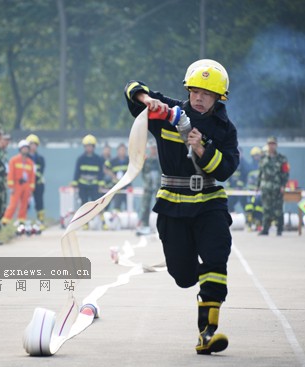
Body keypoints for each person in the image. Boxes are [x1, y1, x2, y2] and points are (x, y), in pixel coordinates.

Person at [124, 59, 239, 355]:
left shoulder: (225, 129)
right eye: (195, 91)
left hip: (210, 203)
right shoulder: (169, 112)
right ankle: (201, 282)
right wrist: (149, 101)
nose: (199, 98)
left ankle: (207, 333)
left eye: (207, 94)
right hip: (173, 204)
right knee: (184, 276)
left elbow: (225, 169)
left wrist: (202, 148)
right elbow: (131, 90)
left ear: (218, 98)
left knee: (216, 259)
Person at [257, 136, 289, 236]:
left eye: (273, 144)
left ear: (276, 145)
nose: (271, 146)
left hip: (277, 187)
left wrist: (283, 185)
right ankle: (265, 229)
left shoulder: (282, 158)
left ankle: (279, 229)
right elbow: (260, 173)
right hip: (266, 187)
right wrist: (258, 186)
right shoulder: (263, 158)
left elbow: (285, 172)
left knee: (278, 208)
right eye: (269, 144)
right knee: (266, 208)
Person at [2, 139, 35, 227]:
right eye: (24, 148)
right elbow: (10, 174)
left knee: (24, 204)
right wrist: (11, 186)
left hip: (26, 185)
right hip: (17, 185)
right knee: (13, 204)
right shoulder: (14, 160)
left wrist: (31, 189)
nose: (25, 150)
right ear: (20, 149)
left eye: (27, 148)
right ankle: (6, 220)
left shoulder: (30, 163)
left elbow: (32, 177)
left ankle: (21, 220)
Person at [71, 134, 105, 205]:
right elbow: (77, 172)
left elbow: (100, 173)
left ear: (94, 147)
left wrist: (101, 184)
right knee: (83, 203)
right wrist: (75, 183)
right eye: (87, 146)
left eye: (90, 146)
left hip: (94, 185)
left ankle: (95, 216)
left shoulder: (98, 159)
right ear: (84, 147)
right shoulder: (81, 159)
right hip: (83, 186)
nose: (89, 148)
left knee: (95, 204)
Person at [136, 143, 160, 235]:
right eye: (152, 148)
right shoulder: (146, 160)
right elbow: (143, 173)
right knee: (145, 206)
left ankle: (160, 226)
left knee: (160, 206)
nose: (153, 150)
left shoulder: (160, 159)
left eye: (155, 148)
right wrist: (147, 183)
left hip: (159, 187)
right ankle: (145, 225)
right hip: (148, 186)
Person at [26, 134, 46, 228]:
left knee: (39, 203)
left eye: (34, 144)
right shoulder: (24, 159)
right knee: (26, 203)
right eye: (31, 144)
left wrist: (34, 180)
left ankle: (40, 221)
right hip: (27, 185)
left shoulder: (40, 159)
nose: (32, 146)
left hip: (38, 184)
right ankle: (24, 221)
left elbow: (40, 172)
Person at [104, 143, 130, 211]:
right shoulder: (113, 160)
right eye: (121, 150)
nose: (122, 151)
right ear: (117, 151)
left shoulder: (129, 160)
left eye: (124, 150)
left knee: (128, 203)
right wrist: (113, 176)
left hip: (126, 185)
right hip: (116, 185)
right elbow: (105, 168)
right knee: (117, 203)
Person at [244, 146, 263, 231]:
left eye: (258, 155)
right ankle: (249, 224)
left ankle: (258, 223)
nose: (256, 157)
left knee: (259, 206)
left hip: (259, 191)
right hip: (250, 191)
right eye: (255, 155)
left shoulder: (262, 166)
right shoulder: (248, 166)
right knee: (249, 207)